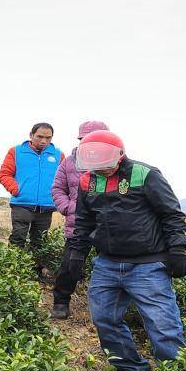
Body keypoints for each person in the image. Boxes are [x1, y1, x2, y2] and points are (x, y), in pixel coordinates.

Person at [59, 130, 186, 371]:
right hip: (106, 263)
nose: (101, 169)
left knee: (163, 325)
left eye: (105, 163)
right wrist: (76, 253)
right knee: (105, 319)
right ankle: (130, 370)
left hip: (148, 265)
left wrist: (177, 250)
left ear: (119, 156)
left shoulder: (146, 175)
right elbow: (84, 221)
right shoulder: (88, 181)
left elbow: (172, 215)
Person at [50, 119, 109, 304]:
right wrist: (68, 208)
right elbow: (58, 188)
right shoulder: (69, 162)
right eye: (86, 139)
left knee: (110, 267)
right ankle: (61, 301)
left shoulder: (115, 163)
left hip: (107, 225)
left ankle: (106, 306)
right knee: (69, 265)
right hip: (77, 224)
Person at [0, 123, 64, 270]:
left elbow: (63, 179)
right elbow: (3, 174)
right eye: (40, 136)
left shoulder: (58, 155)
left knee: (40, 242)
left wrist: (56, 197)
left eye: (48, 138)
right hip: (22, 204)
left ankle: (36, 274)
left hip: (46, 206)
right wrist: (16, 190)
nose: (44, 141)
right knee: (18, 237)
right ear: (31, 135)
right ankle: (12, 272)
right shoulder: (16, 151)